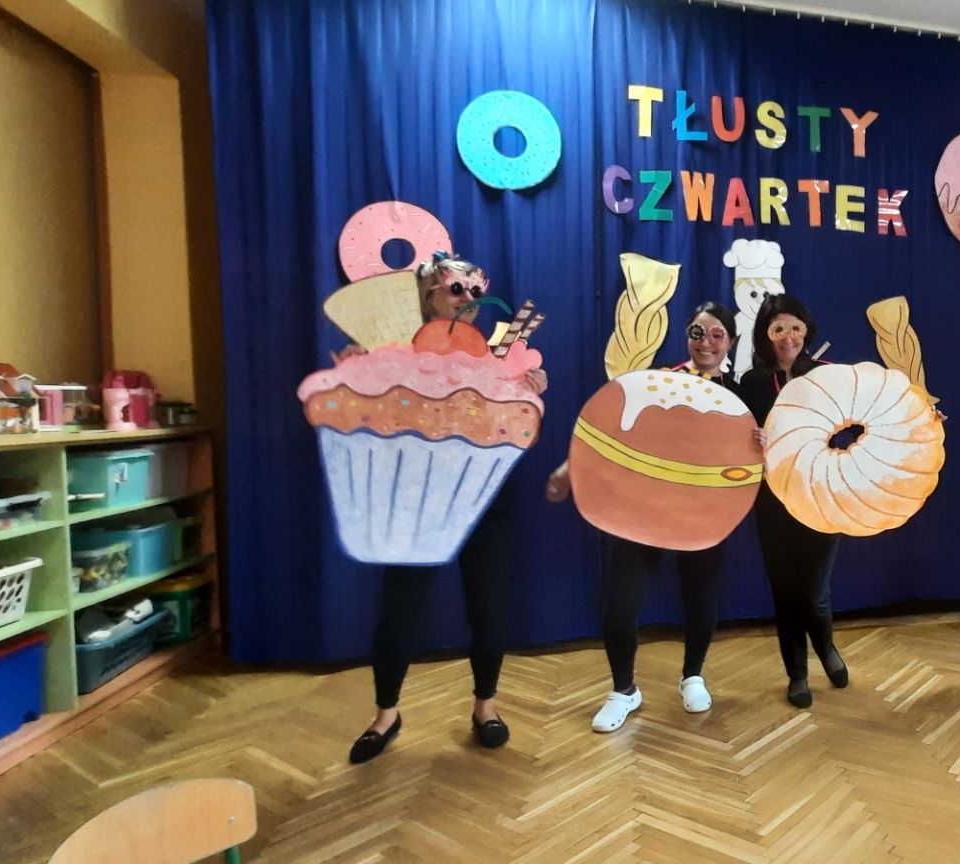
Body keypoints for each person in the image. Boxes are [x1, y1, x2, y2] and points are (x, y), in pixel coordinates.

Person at [348, 252, 547, 763]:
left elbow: (518, 429)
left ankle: (486, 706)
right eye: (456, 290)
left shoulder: (497, 356)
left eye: (476, 292)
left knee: (488, 609)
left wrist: (529, 393)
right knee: (398, 613)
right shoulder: (396, 353)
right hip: (417, 502)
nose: (468, 300)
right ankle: (386, 715)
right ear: (428, 295)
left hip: (484, 499)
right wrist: (358, 375)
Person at [544, 303, 742, 733]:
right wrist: (569, 468)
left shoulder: (742, 394)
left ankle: (693, 675)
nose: (705, 342)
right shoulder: (658, 381)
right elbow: (610, 431)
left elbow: (760, 451)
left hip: (705, 513)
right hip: (643, 508)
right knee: (621, 605)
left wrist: (760, 439)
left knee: (701, 596)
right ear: (686, 336)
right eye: (697, 332)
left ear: (730, 340)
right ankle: (624, 690)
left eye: (716, 334)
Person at [736, 294, 850, 708]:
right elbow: (737, 441)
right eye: (778, 329)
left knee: (815, 592)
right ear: (766, 335)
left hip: (821, 497)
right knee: (785, 592)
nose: (788, 337)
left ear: (806, 331)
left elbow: (866, 420)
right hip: (773, 503)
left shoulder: (827, 375)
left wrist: (920, 420)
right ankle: (797, 674)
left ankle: (827, 647)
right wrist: (753, 440)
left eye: (795, 328)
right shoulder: (752, 383)